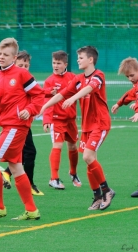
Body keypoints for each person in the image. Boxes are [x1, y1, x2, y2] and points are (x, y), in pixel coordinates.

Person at [40, 46, 115, 210]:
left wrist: (73, 98)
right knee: (89, 161)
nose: (78, 60)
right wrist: (45, 106)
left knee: (88, 157)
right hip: (87, 126)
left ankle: (107, 191)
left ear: (90, 60)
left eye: (81, 58)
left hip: (100, 123)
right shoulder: (78, 78)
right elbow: (61, 94)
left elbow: (90, 88)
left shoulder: (98, 75)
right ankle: (97, 196)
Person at [0, 38, 44, 221]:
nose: (1, 57)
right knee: (16, 167)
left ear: (14, 57)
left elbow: (39, 96)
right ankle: (31, 210)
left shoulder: (22, 74)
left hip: (16, 126)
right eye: (0, 54)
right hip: (8, 125)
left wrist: (29, 110)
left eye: (6, 55)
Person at [0, 50, 44, 196]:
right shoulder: (13, 79)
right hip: (17, 123)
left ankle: (16, 177)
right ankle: (24, 182)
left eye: (26, 65)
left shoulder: (27, 78)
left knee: (25, 153)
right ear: (14, 63)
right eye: (21, 64)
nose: (24, 68)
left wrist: (52, 92)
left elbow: (37, 92)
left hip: (24, 123)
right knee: (29, 152)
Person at [42, 50, 80, 190]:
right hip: (56, 120)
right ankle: (54, 178)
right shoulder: (49, 81)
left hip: (71, 120)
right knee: (57, 146)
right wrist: (46, 119)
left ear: (65, 64)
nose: (55, 66)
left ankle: (73, 173)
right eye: (53, 63)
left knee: (73, 147)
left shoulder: (73, 78)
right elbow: (47, 100)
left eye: (58, 63)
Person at [111, 57, 138, 197]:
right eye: (127, 76)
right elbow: (132, 94)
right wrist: (119, 103)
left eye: (132, 75)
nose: (130, 78)